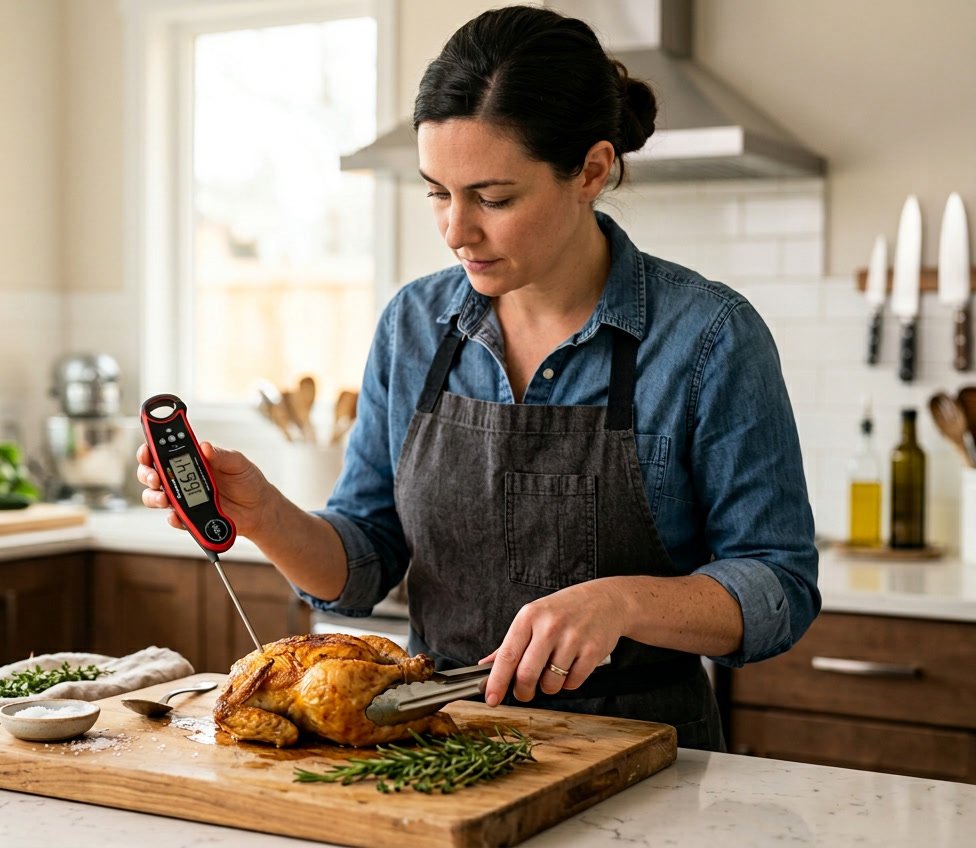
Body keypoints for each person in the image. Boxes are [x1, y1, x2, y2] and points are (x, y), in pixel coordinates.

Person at [137, 4, 819, 751]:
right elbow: (363, 561)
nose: (457, 230)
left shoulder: (709, 336)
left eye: (493, 198)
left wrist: (621, 603)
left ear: (591, 171)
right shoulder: (414, 324)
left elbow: (778, 586)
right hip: (435, 752)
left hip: (648, 758)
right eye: (437, 191)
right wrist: (266, 513)